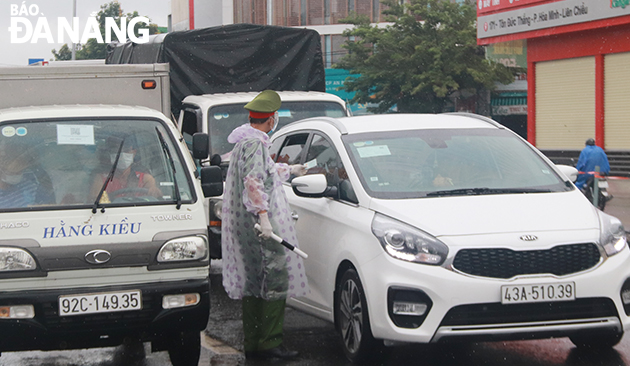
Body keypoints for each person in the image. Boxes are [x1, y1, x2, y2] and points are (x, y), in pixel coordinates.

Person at [221, 90, 308, 360]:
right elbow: (253, 181)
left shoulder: (246, 142)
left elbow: (266, 171)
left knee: (254, 282)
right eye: (275, 118)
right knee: (275, 278)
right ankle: (270, 343)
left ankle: (255, 344)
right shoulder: (255, 145)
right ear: (271, 120)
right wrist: (263, 216)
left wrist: (290, 170)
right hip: (257, 226)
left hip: (247, 225)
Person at [89, 135, 162, 202]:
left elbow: (153, 200)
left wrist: (155, 193)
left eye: (126, 151)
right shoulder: (101, 179)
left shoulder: (145, 179)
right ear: (110, 154)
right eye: (116, 151)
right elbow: (95, 202)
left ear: (134, 152)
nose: (122, 155)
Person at [0, 144, 54, 208]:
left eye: (20, 171)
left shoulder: (29, 185)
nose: (17, 175)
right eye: (13, 173)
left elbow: (49, 204)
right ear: (2, 171)